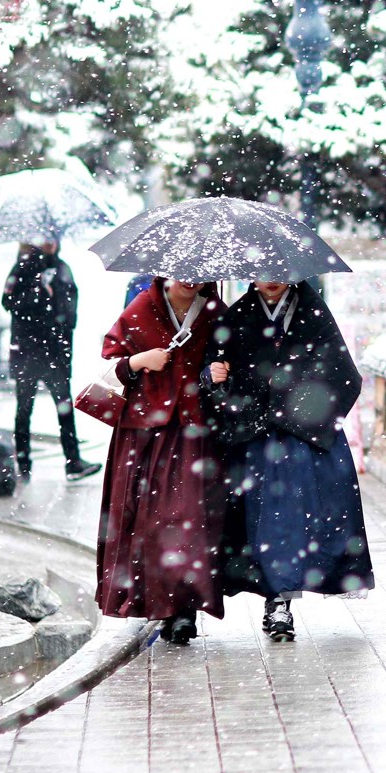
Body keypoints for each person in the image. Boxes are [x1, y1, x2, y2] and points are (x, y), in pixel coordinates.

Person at [200, 278, 372, 642]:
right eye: (262, 272)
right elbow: (214, 369)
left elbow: (343, 374)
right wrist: (214, 377)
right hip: (257, 436)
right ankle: (277, 599)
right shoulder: (239, 316)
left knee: (300, 522)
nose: (271, 279)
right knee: (266, 523)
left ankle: (281, 601)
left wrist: (299, 401)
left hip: (304, 436)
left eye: (279, 271)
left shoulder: (313, 313)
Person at [97, 276, 226, 644]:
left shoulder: (215, 312)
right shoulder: (142, 308)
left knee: (186, 519)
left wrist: (214, 372)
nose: (189, 278)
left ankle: (182, 609)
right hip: (144, 434)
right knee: (149, 523)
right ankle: (160, 606)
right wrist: (140, 360)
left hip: (193, 432)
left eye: (197, 272)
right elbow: (112, 365)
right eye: (181, 270)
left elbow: (234, 358)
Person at [2, 240, 100, 482]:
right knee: (24, 408)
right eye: (45, 238)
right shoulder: (21, 268)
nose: (51, 243)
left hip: (56, 352)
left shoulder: (63, 268)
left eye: (54, 237)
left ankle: (73, 462)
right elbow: (8, 302)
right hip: (27, 352)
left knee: (64, 408)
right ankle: (23, 463)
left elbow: (70, 310)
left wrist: (57, 306)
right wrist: (37, 293)